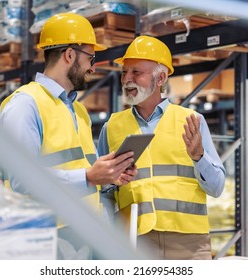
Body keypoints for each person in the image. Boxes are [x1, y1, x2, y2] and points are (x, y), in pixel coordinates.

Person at [0, 13, 137, 259]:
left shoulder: (78, 110)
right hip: (45, 236)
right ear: (70, 55)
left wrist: (109, 176)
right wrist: (87, 176)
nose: (93, 67)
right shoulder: (25, 104)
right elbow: (22, 178)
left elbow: (84, 171)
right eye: (90, 58)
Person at [97, 35, 226, 260]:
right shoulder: (112, 127)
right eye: (124, 73)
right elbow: (104, 192)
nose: (127, 79)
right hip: (135, 242)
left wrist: (199, 157)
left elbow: (216, 188)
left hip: (188, 244)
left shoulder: (191, 121)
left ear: (161, 78)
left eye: (136, 72)